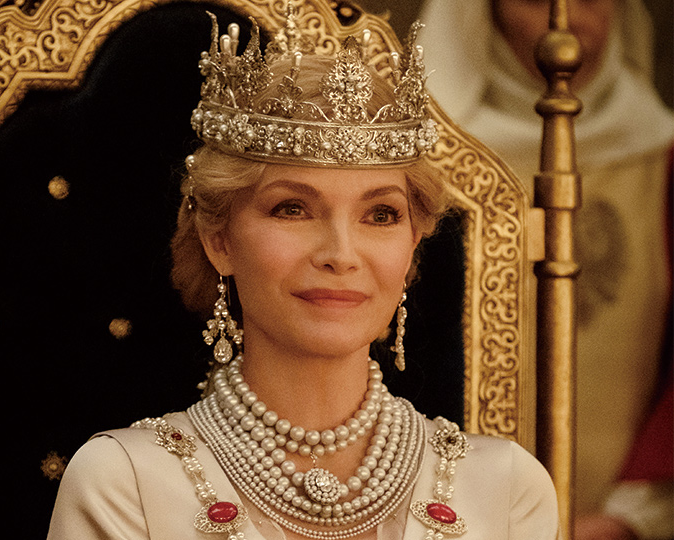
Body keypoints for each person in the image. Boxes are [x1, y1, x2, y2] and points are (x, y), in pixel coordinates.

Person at [47, 8, 560, 539]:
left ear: (412, 248)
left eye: (380, 215)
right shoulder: (127, 485)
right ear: (219, 241)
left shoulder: (505, 489)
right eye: (292, 209)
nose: (341, 254)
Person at [417, 1, 673, 539]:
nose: (566, 18)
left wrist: (632, 516)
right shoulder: (421, 156)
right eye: (535, 0)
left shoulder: (663, 155)